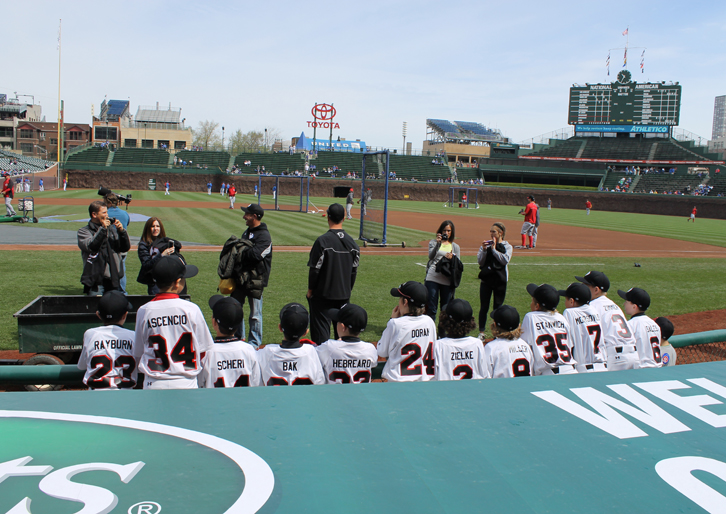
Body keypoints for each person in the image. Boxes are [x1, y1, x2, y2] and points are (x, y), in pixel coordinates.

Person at [134, 255, 214, 389]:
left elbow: (139, 351)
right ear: (177, 282)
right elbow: (204, 350)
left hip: (154, 383)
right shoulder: (191, 309)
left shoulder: (144, 310)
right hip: (186, 382)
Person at [306, 203, 360, 344]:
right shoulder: (352, 244)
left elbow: (314, 270)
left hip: (322, 295)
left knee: (321, 337)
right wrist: (347, 290)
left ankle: (322, 365)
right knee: (342, 336)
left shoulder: (322, 241)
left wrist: (310, 290)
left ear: (328, 217)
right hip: (343, 295)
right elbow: (353, 272)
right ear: (343, 217)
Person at [576, 271, 639, 371]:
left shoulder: (592, 307)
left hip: (616, 359)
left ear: (596, 290)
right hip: (634, 356)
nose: (581, 288)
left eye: (585, 286)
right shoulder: (614, 305)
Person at [377, 281, 437, 382]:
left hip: (398, 384)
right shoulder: (429, 322)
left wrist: (391, 320)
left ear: (405, 302)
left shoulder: (396, 324)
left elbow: (382, 352)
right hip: (424, 383)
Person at [198, 295, 263, 388]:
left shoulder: (207, 353)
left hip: (214, 402)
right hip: (243, 402)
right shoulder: (249, 350)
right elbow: (256, 384)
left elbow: (199, 385)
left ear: (214, 322)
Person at [77, 291, 138, 390]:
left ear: (98, 315)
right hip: (125, 395)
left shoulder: (90, 334)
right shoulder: (133, 336)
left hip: (97, 395)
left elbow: (81, 366)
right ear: (125, 315)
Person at [231, 204, 272, 348]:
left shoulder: (264, 236)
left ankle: (254, 343)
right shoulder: (247, 233)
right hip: (241, 278)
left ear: (254, 216)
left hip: (256, 280)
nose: (244, 217)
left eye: (246, 214)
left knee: (255, 313)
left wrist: (242, 251)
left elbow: (255, 255)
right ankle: (239, 338)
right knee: (237, 309)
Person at [257, 303, 325, 386]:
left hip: (274, 399)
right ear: (306, 332)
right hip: (304, 398)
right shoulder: (312, 352)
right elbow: (320, 383)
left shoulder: (265, 352)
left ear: (280, 327)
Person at [521, 283, 577, 375]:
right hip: (571, 371)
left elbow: (525, 348)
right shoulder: (561, 318)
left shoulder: (530, 317)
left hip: (549, 376)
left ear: (537, 306)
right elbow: (570, 346)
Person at [77, 200, 130, 296]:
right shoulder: (84, 232)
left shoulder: (112, 230)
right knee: (95, 308)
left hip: (113, 278)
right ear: (94, 214)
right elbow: (92, 246)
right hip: (96, 281)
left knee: (113, 309)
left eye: (107, 212)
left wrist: (121, 232)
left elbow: (124, 248)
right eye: (104, 212)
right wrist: (103, 229)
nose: (107, 215)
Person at [316, 303, 377, 384]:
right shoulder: (370, 349)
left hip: (334, 396)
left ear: (343, 327)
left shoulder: (329, 347)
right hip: (361, 396)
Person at [433, 299, 487, 380]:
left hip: (445, 391)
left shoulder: (438, 345)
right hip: (473, 391)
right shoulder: (477, 344)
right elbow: (484, 375)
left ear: (446, 320)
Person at [559, 282, 606, 372]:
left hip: (584, 369)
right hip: (602, 366)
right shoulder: (594, 311)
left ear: (572, 301)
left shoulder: (569, 313)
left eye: (566, 299)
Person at [477, 222, 512, 339]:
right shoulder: (487, 245)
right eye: (490, 231)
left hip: (500, 281)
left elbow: (505, 260)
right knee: (484, 307)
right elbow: (480, 262)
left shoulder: (507, 246)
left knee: (498, 308)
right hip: (487, 280)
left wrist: (494, 250)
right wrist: (483, 249)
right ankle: (481, 332)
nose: (491, 234)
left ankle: (497, 333)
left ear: (500, 233)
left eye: (494, 231)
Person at [425, 220, 461, 327]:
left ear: (452, 232)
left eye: (449, 231)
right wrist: (438, 244)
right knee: (432, 307)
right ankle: (430, 332)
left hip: (446, 279)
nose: (446, 233)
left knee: (445, 309)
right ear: (440, 231)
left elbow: (458, 264)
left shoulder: (455, 247)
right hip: (433, 277)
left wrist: (452, 258)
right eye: (444, 230)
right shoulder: (433, 242)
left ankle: (442, 333)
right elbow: (431, 256)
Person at [484, 305, 533, 378]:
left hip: (501, 389)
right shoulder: (525, 345)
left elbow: (486, 377)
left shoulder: (491, 348)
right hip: (525, 388)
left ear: (495, 325)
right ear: (518, 325)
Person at [618, 287, 662, 368]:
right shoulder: (654, 324)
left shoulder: (630, 325)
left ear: (634, 307)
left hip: (642, 370)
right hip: (657, 368)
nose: (624, 304)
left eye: (627, 302)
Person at [137, 217, 180, 295]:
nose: (155, 228)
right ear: (148, 228)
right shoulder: (143, 245)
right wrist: (162, 255)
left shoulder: (164, 242)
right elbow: (146, 264)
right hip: (154, 281)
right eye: (152, 226)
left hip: (166, 279)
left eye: (157, 226)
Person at [104, 193, 131, 294]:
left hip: (110, 246)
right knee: (122, 268)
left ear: (109, 202)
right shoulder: (124, 214)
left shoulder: (106, 214)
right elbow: (127, 224)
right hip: (123, 244)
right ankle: (122, 291)